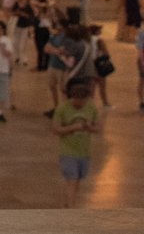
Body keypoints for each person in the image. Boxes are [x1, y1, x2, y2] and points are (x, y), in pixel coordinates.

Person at [52, 79, 101, 208]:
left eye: (84, 101)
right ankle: (71, 208)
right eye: (79, 101)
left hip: (84, 152)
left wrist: (88, 127)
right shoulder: (62, 109)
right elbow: (56, 130)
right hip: (68, 152)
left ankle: (69, 203)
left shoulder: (91, 107)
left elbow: (97, 128)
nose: (82, 104)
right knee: (72, 180)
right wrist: (73, 128)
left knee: (77, 180)